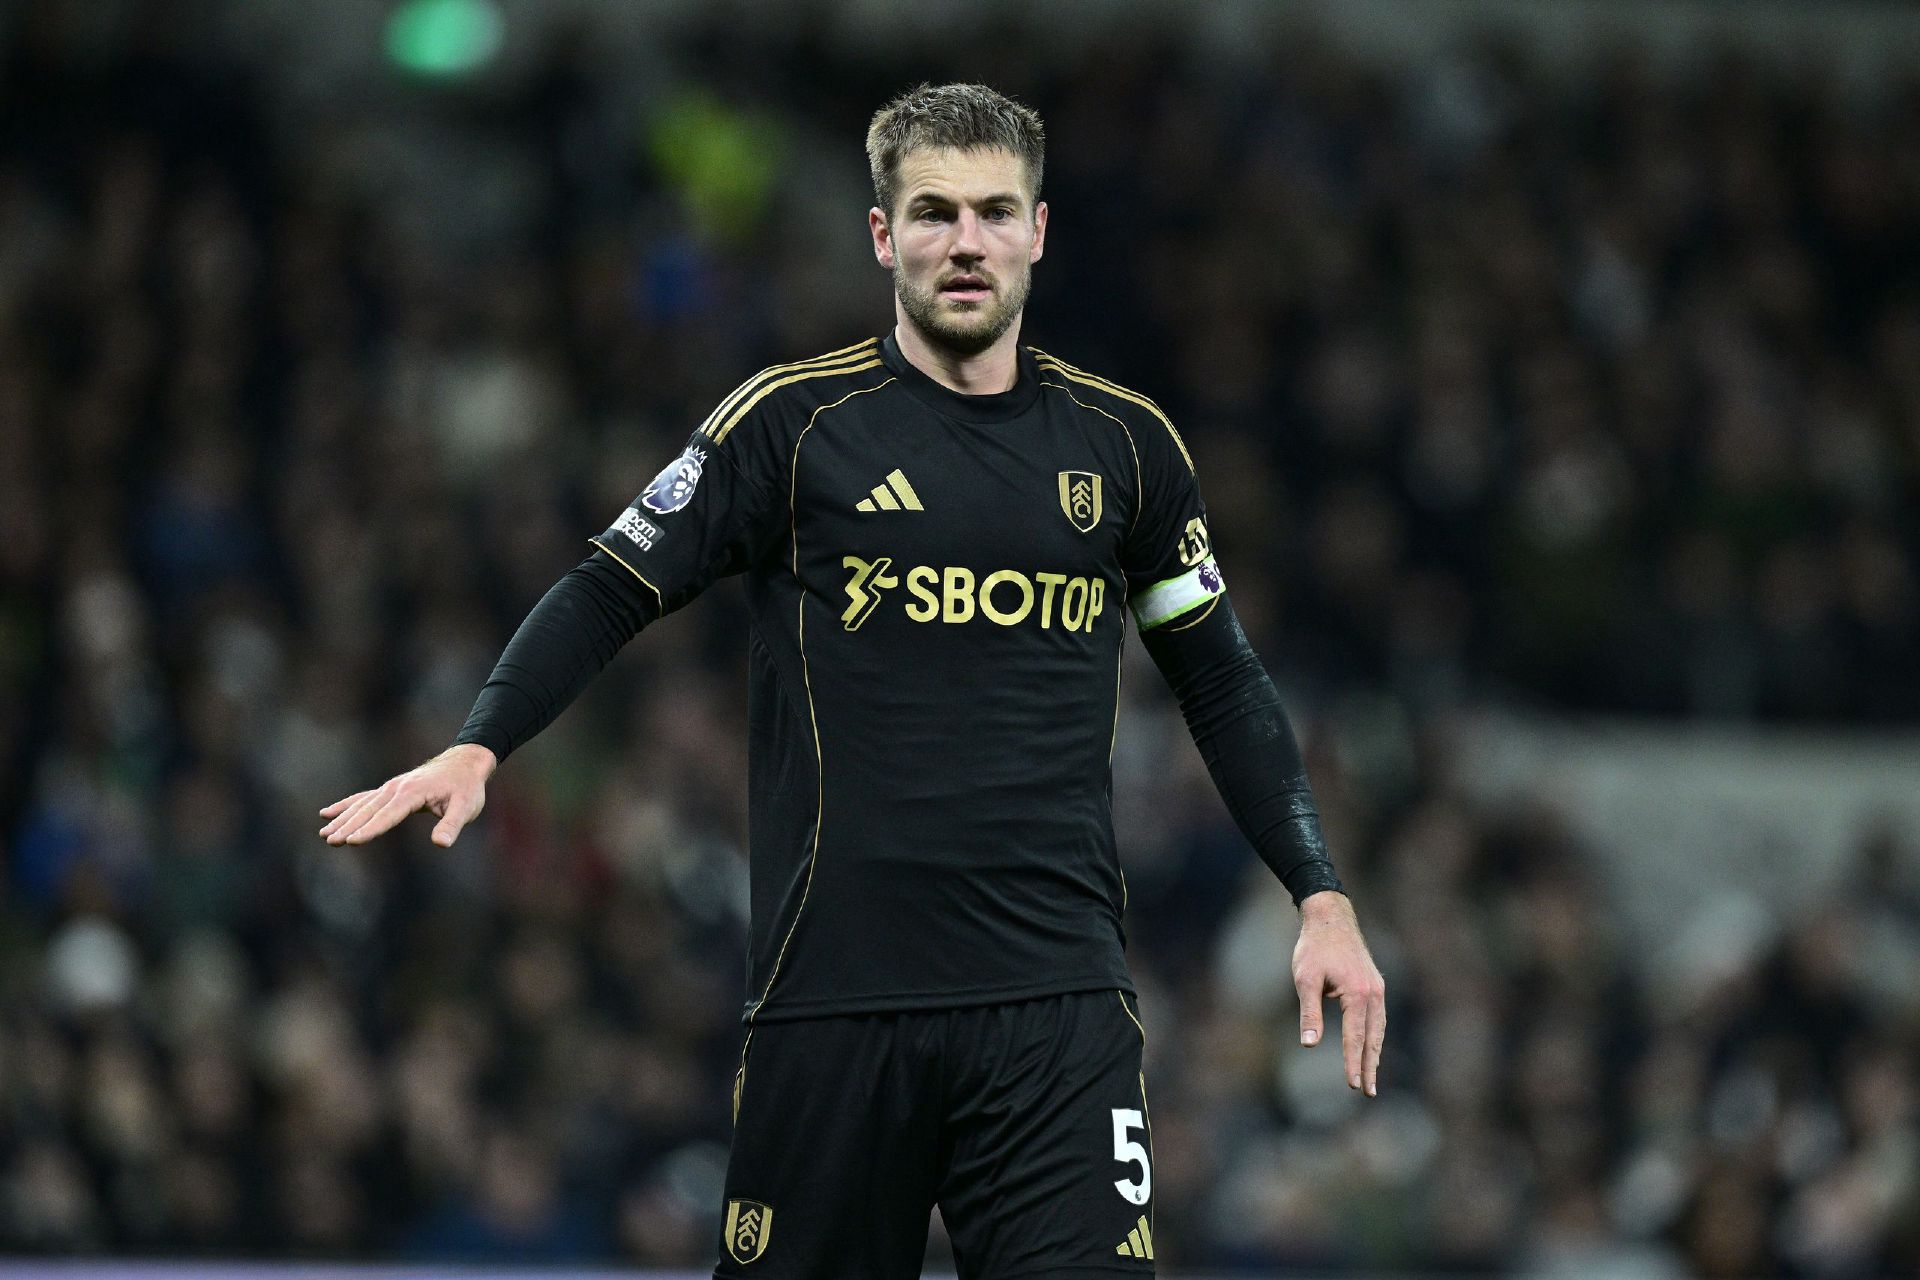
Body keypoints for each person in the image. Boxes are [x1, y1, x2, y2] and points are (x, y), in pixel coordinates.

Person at [319, 82, 1386, 1280]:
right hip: (832, 1009)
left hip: (1057, 1014)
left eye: (995, 211)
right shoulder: (791, 425)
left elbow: (1222, 677)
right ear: (883, 235)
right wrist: (483, 739)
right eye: (934, 212)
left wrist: (1319, 890)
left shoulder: (1127, 447)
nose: (967, 242)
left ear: (1039, 230)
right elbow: (610, 584)